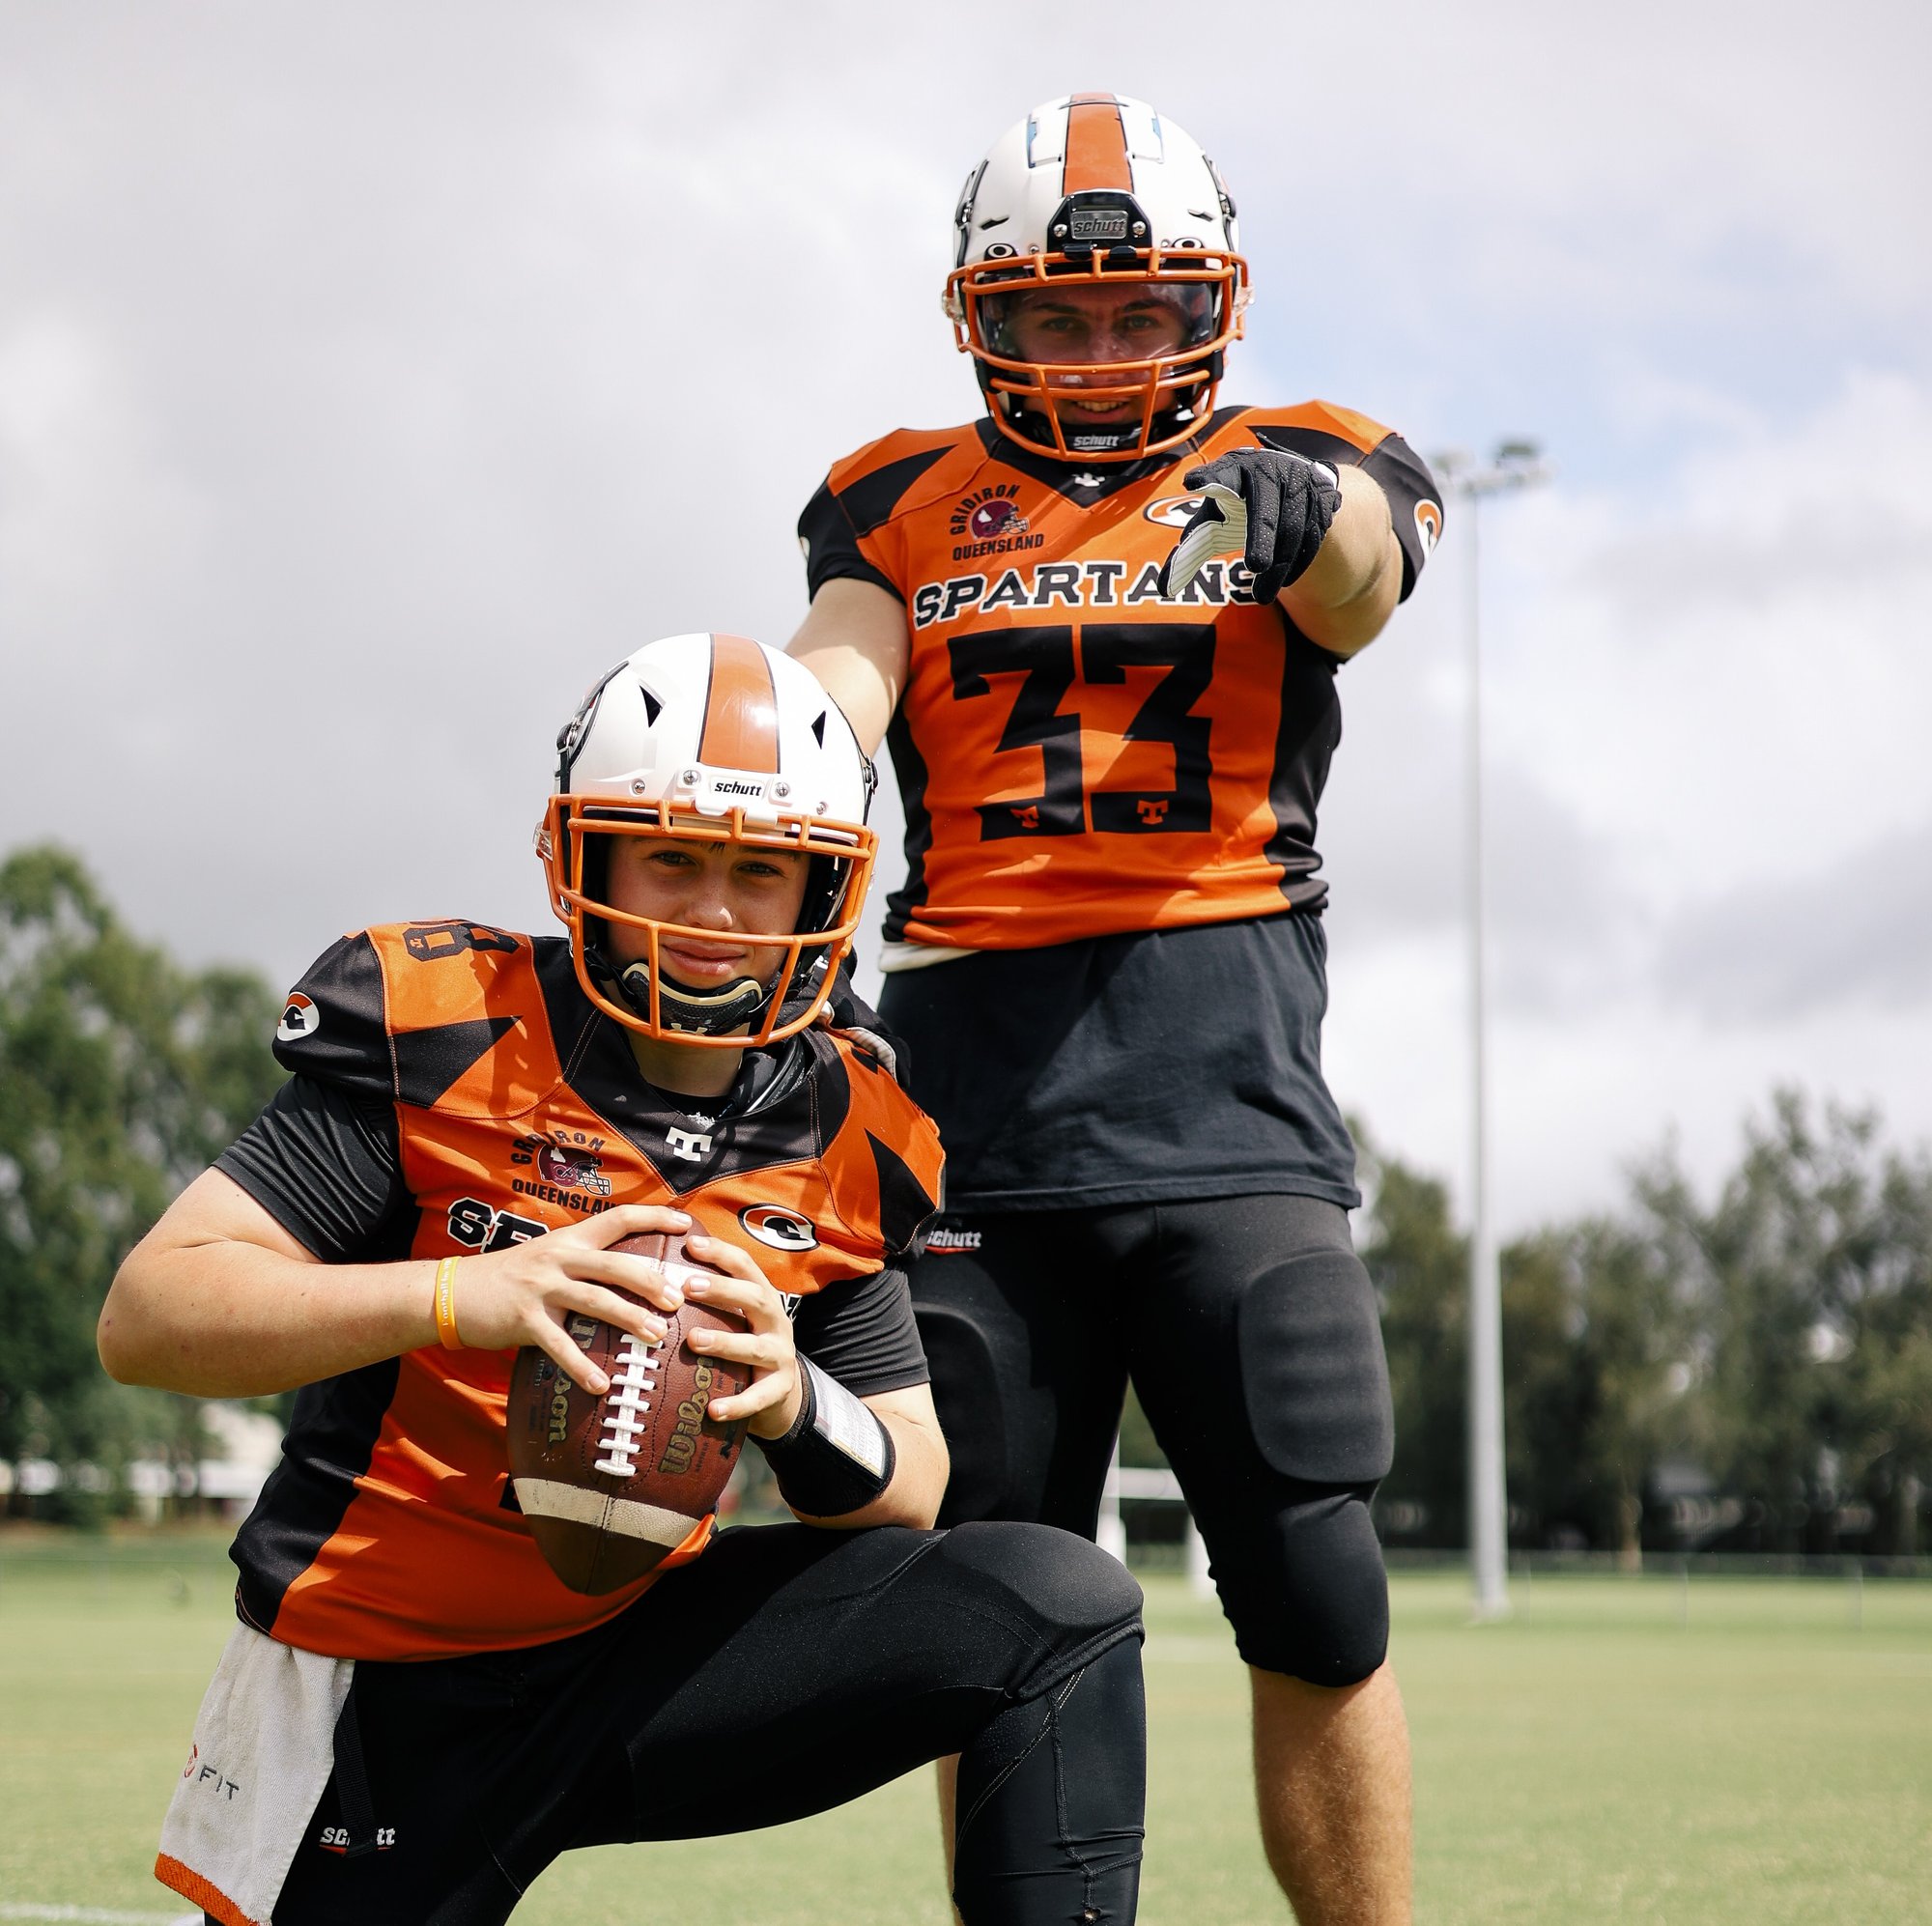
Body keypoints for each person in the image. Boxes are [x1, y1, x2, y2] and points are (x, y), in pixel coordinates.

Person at [99, 632, 1147, 1926]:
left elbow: (915, 1479)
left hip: (644, 1660)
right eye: (672, 855)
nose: (712, 913)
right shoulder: (447, 1025)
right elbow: (150, 1312)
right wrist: (452, 1295)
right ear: (581, 855)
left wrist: (793, 1397)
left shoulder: (844, 1120)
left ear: (823, 892)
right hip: (379, 1682)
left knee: (1056, 1602)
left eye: (762, 871)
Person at [788, 94, 1442, 1925]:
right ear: (979, 314)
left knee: (1318, 1591)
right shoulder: (897, 497)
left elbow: (1368, 584)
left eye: (1141, 312)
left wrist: (1309, 527)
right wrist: (754, 785)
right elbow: (838, 688)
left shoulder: (1314, 453)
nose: (1099, 350)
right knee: (1001, 1608)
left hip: (1228, 1104)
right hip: (972, 1114)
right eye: (1057, 316)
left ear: (1208, 309)